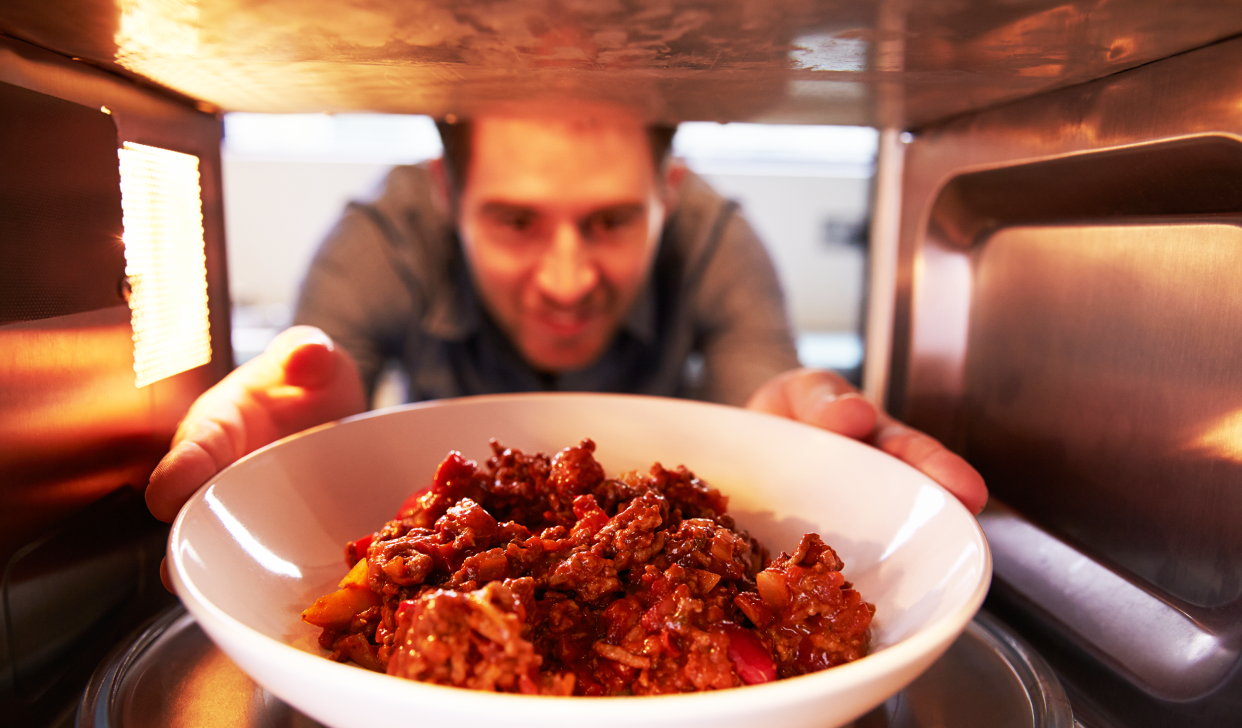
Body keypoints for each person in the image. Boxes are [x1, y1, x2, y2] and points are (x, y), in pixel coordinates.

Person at [144, 102, 987, 526]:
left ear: (669, 194)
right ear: (448, 194)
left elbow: (762, 393)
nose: (567, 278)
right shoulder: (380, 238)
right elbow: (321, 391)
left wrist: (798, 444)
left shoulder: (717, 241)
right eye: (516, 221)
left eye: (611, 221)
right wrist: (306, 453)